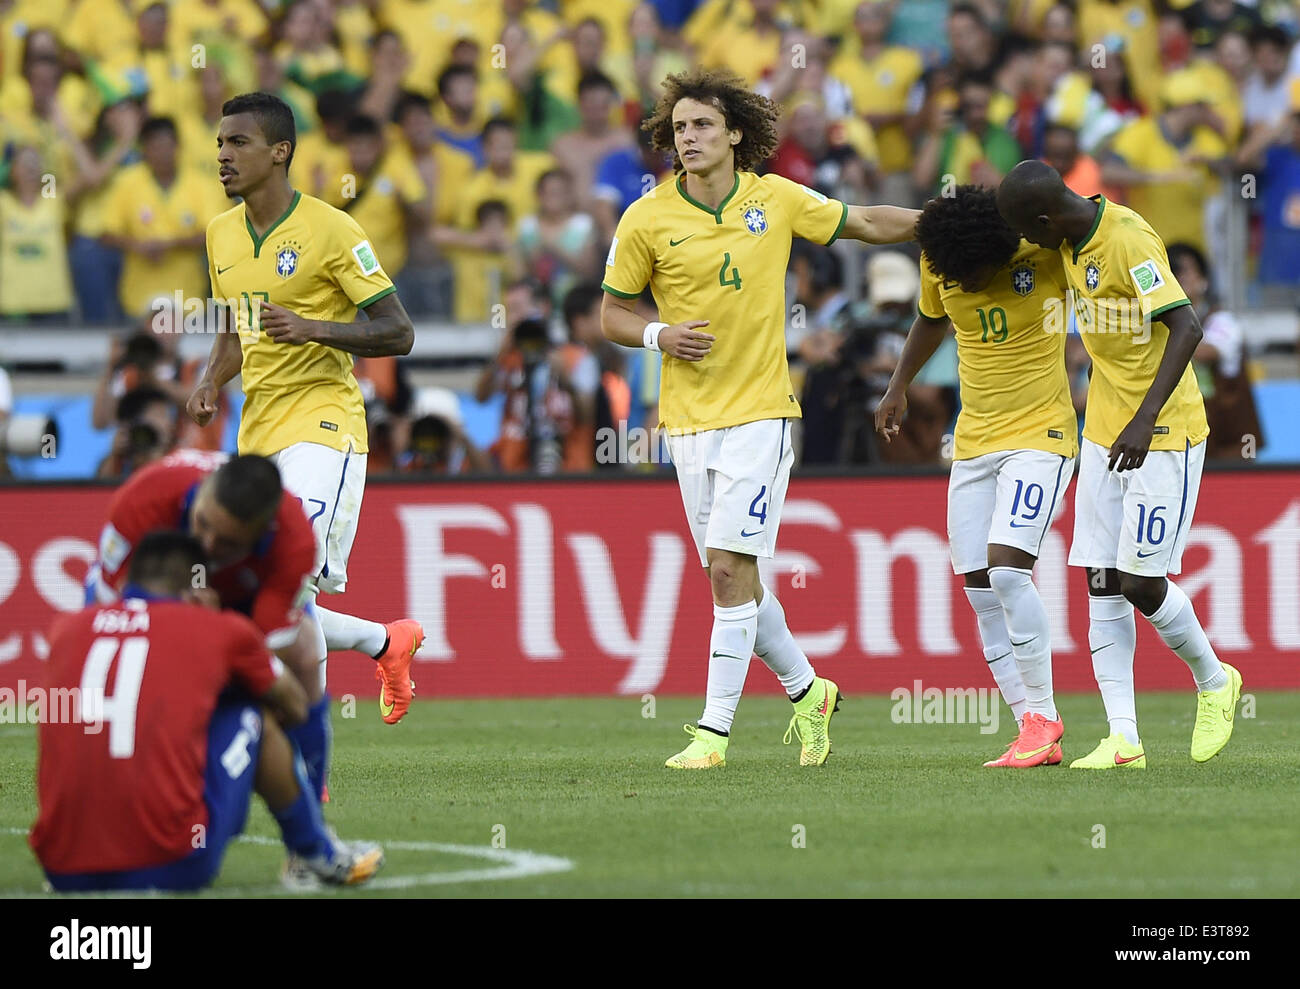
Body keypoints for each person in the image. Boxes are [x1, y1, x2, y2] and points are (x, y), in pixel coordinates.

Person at [600, 67, 920, 770]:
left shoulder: (774, 199)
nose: (688, 137)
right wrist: (660, 335)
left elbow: (861, 222)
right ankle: (809, 692)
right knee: (733, 576)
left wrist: (937, 224)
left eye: (703, 125)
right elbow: (612, 313)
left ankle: (712, 733)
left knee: (725, 571)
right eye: (680, 127)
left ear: (735, 133)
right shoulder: (646, 217)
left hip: (761, 414)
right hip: (686, 421)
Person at [186, 92, 424, 727]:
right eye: (219, 144)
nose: (223, 156)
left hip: (324, 423)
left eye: (238, 143)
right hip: (256, 430)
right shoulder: (219, 235)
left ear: (279, 152)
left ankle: (305, 755)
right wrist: (211, 380)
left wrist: (313, 327)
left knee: (289, 587)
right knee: (258, 596)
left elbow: (398, 333)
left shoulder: (332, 229)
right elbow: (237, 332)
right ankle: (385, 642)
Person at [996, 159, 1242, 770]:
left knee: (1139, 581)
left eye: (1031, 230)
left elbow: (1187, 327)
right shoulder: (1068, 243)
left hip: (1162, 434)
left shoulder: (1128, 237)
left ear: (1049, 218)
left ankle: (1215, 681)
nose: (1030, 243)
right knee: (1101, 579)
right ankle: (1123, 738)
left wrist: (1143, 417)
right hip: (1105, 434)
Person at [33, 530, 382, 891]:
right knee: (253, 716)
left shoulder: (67, 631)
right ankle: (314, 853)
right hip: (177, 862)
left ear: (125, 580)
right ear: (195, 587)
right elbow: (296, 707)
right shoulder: (216, 629)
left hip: (62, 866)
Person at [875, 185, 1078, 768]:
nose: (962, 282)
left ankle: (1043, 714)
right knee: (981, 592)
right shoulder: (943, 257)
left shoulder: (1041, 253)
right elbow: (928, 318)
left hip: (1042, 435)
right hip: (973, 443)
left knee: (1009, 572)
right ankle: (1030, 730)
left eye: (974, 274)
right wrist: (898, 386)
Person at [1167, 242, 1263, 462]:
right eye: (1172, 270)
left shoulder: (1222, 321)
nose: (1179, 277)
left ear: (1204, 280)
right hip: (1182, 436)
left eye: (1185, 269)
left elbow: (1205, 352)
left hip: (1227, 440)